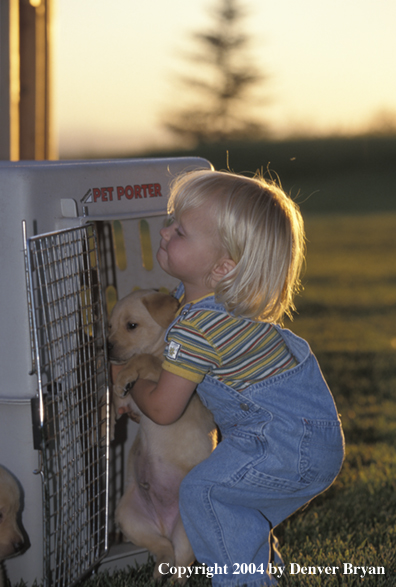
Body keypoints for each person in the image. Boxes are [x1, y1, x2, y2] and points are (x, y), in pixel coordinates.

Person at [120, 169, 345, 587]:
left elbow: (166, 409)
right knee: (234, 508)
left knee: (205, 492)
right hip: (309, 438)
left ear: (223, 266)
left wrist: (130, 381)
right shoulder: (212, 308)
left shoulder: (197, 327)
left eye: (181, 232)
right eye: (172, 223)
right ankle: (258, 566)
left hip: (283, 444)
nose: (166, 232)